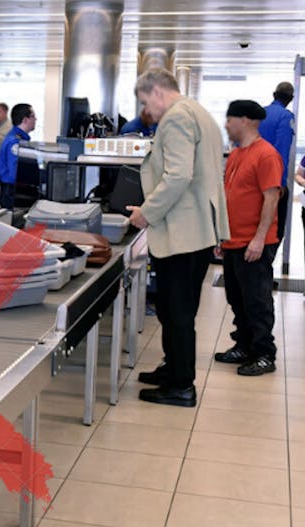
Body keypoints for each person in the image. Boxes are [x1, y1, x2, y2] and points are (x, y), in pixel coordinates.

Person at [126, 68, 230, 407]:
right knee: (175, 310)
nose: (149, 112)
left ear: (157, 92)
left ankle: (181, 386)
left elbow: (178, 176)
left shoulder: (175, 118)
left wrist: (146, 212)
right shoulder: (199, 112)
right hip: (197, 229)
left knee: (178, 311)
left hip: (183, 234)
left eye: (146, 102)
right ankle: (173, 369)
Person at [214, 100, 281, 376]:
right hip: (233, 241)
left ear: (244, 120)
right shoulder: (238, 153)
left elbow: (272, 197)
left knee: (257, 300)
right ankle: (244, 345)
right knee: (236, 297)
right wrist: (221, 236)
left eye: (230, 119)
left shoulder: (266, 154)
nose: (227, 125)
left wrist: (258, 238)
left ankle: (265, 353)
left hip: (254, 243)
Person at [258, 81, 295, 246]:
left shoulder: (258, 114)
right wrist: (280, 185)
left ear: (274, 94)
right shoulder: (286, 117)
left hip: (253, 181)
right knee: (275, 232)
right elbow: (281, 151)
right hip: (272, 182)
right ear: (291, 98)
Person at [0, 104, 36, 210]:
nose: (35, 119)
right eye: (33, 116)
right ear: (25, 120)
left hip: (14, 189)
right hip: (12, 192)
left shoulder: (19, 139)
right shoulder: (15, 142)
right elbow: (15, 173)